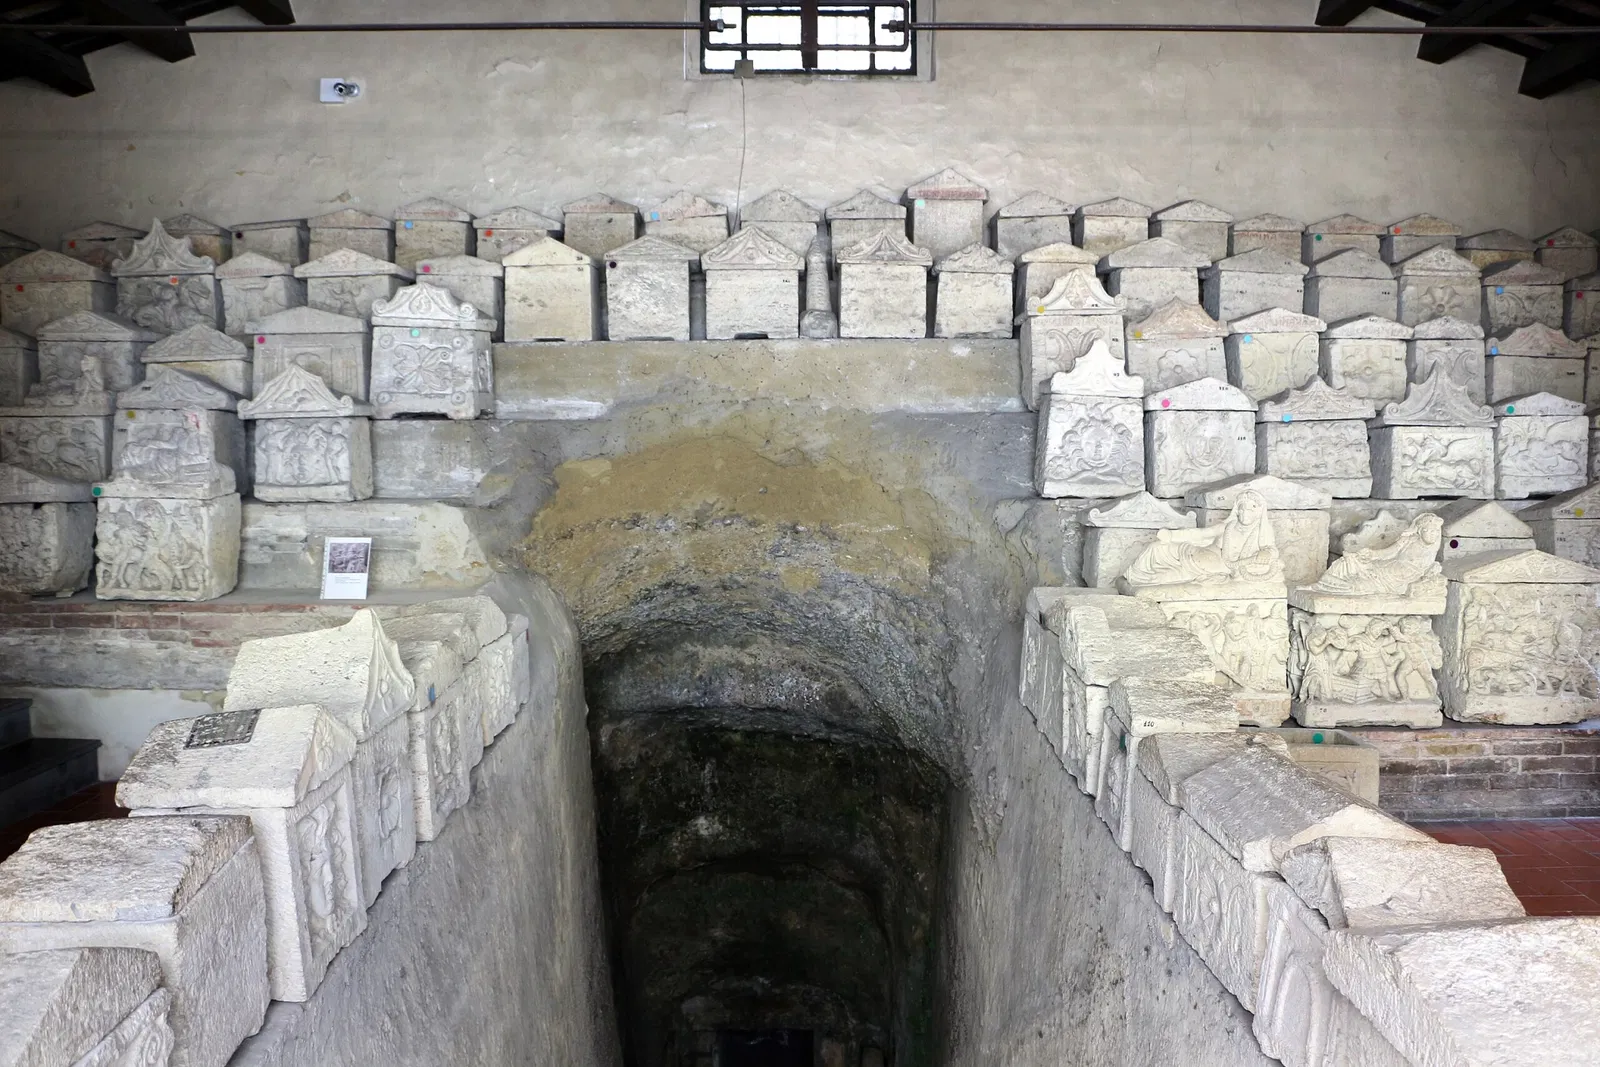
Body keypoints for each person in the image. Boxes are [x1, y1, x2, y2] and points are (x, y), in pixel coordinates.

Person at [1123, 490, 1281, 586]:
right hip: (1194, 552)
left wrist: (1267, 553)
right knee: (1156, 548)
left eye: (1251, 508)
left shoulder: (1261, 532)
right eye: (1242, 508)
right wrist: (1171, 535)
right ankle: (1132, 577)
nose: (1246, 512)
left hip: (1204, 568)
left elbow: (1271, 550)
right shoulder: (1228, 527)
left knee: (1160, 578)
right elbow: (1200, 534)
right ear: (1237, 511)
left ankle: (1140, 582)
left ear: (1259, 512)